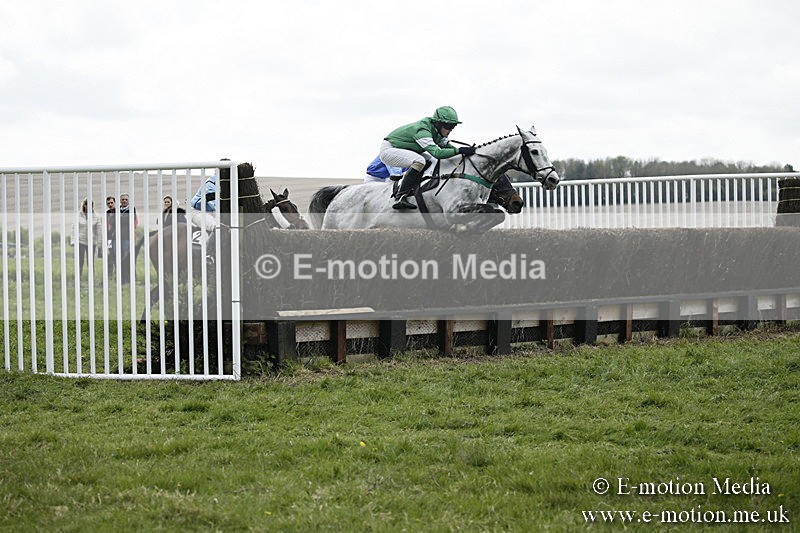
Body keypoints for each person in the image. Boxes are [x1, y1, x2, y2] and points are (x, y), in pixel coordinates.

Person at [380, 106, 476, 210]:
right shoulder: (423, 130)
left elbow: (448, 148)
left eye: (453, 126)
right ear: (438, 123)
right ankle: (400, 196)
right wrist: (459, 150)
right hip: (389, 150)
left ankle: (410, 183)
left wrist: (464, 152)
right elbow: (438, 153)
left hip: (405, 150)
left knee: (432, 161)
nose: (450, 130)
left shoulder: (437, 132)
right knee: (420, 161)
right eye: (448, 126)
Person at [71, 198, 102, 279]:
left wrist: (100, 243)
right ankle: (78, 277)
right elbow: (74, 228)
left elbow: (99, 230)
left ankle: (92, 278)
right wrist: (73, 241)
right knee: (80, 261)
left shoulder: (96, 216)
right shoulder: (78, 215)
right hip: (80, 241)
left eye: (91, 205)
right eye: (87, 205)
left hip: (92, 242)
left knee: (90, 261)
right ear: (84, 205)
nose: (89, 207)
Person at [117, 193, 138, 284]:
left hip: (127, 237)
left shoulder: (131, 210)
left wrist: (119, 219)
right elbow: (112, 220)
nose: (124, 201)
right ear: (120, 201)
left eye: (126, 199)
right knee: (118, 258)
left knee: (127, 258)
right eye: (123, 199)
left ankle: (130, 278)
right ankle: (121, 279)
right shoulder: (117, 210)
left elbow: (129, 220)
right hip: (117, 238)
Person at [105, 196, 116, 276]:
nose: (110, 204)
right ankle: (110, 274)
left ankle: (118, 271)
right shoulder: (107, 213)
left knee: (117, 254)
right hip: (109, 238)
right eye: (108, 203)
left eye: (112, 202)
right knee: (110, 254)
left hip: (116, 238)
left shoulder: (118, 212)